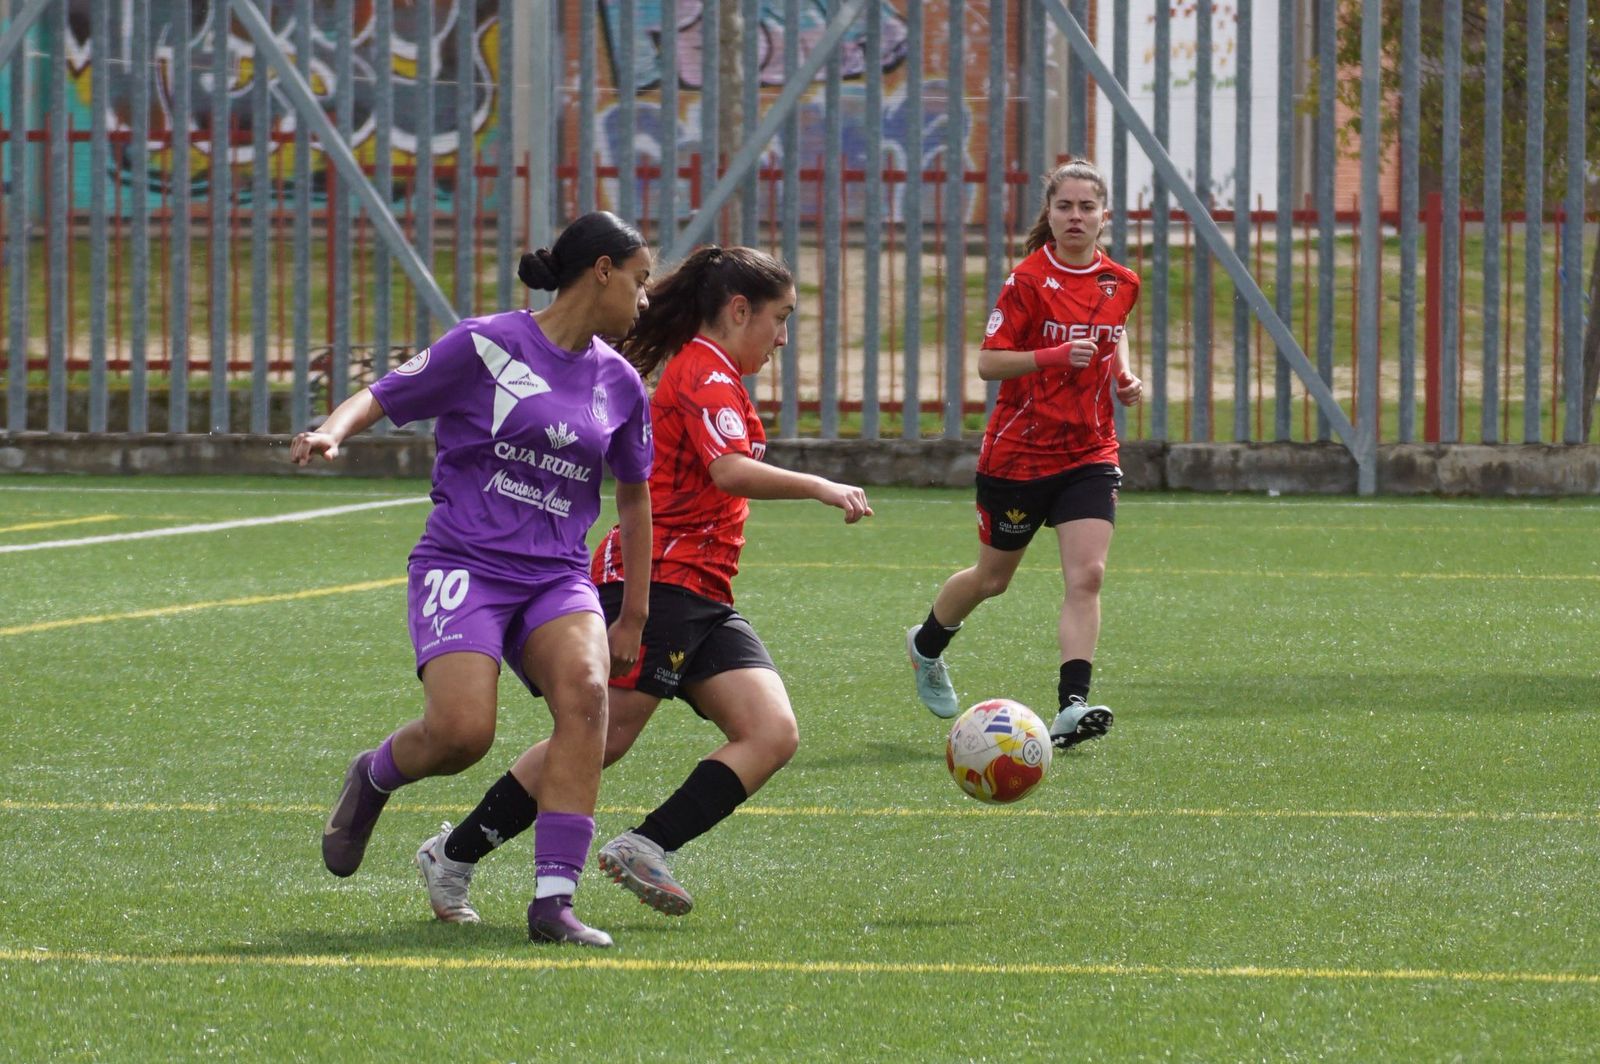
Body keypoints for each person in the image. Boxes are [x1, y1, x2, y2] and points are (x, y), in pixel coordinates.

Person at [412, 245, 872, 924]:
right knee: (600, 739)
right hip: (656, 582)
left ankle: (646, 844)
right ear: (738, 310)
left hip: (706, 591)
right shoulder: (702, 374)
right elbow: (730, 471)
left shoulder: (717, 375)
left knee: (771, 731)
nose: (782, 337)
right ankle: (454, 852)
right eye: (780, 320)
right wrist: (822, 487)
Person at [292, 211, 657, 948]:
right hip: (465, 563)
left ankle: (554, 902)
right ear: (602, 271)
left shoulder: (619, 382)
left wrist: (634, 616)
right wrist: (334, 429)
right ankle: (375, 775)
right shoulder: (488, 344)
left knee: (588, 701)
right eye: (641, 282)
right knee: (463, 734)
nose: (644, 302)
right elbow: (387, 392)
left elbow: (634, 495)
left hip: (556, 575)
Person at [905, 158, 1143, 750]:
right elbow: (989, 362)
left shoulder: (1122, 282)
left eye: (1087, 207)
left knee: (1087, 575)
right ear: (1050, 214)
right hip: (1019, 456)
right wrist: (1055, 357)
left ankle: (1072, 706)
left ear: (1104, 217)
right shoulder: (1027, 282)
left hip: (1089, 450)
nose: (1076, 216)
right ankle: (926, 646)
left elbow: (1114, 330)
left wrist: (1125, 374)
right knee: (992, 579)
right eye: (1065, 206)